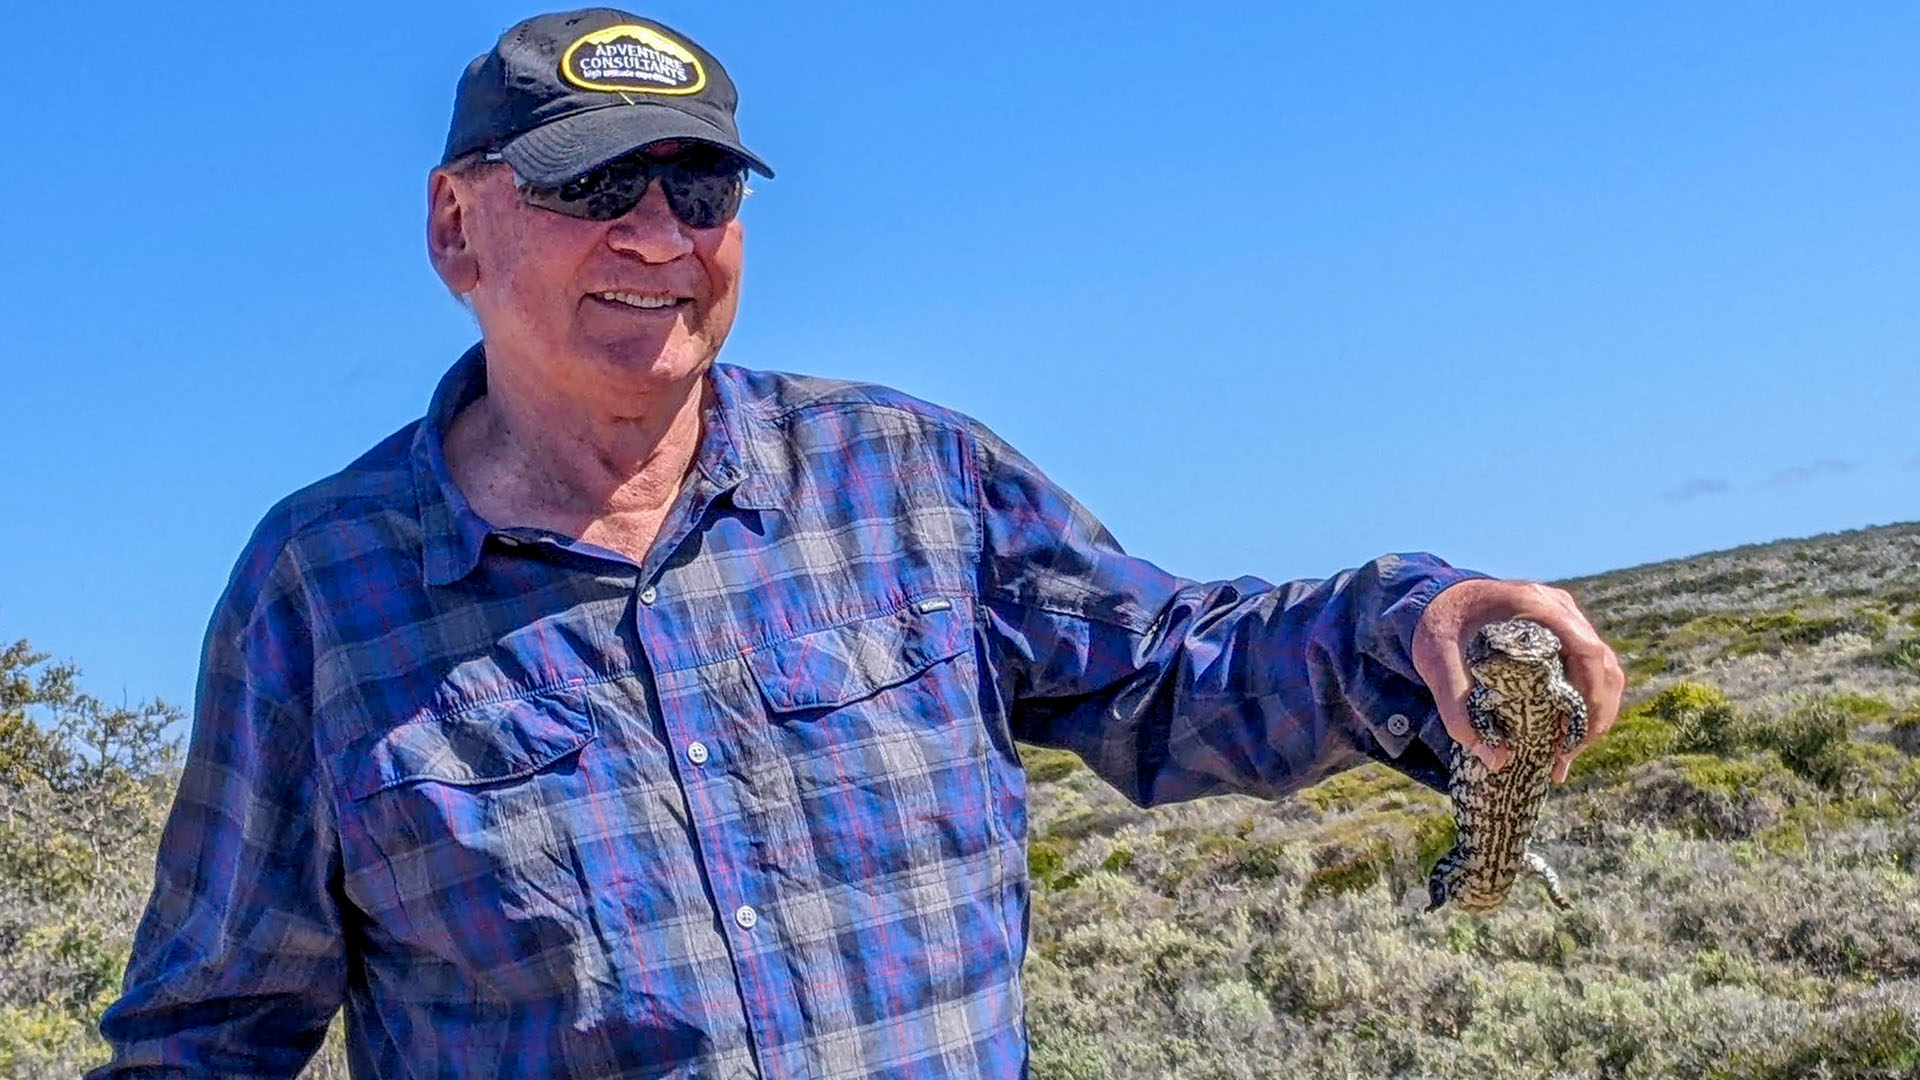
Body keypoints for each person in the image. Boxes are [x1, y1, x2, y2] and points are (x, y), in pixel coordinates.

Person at [90, 8, 1624, 1078]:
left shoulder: (909, 479)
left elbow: (1167, 668)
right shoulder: (322, 591)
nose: (656, 234)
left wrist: (1410, 627)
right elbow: (212, 1027)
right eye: (589, 185)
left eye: (698, 187)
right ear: (456, 229)